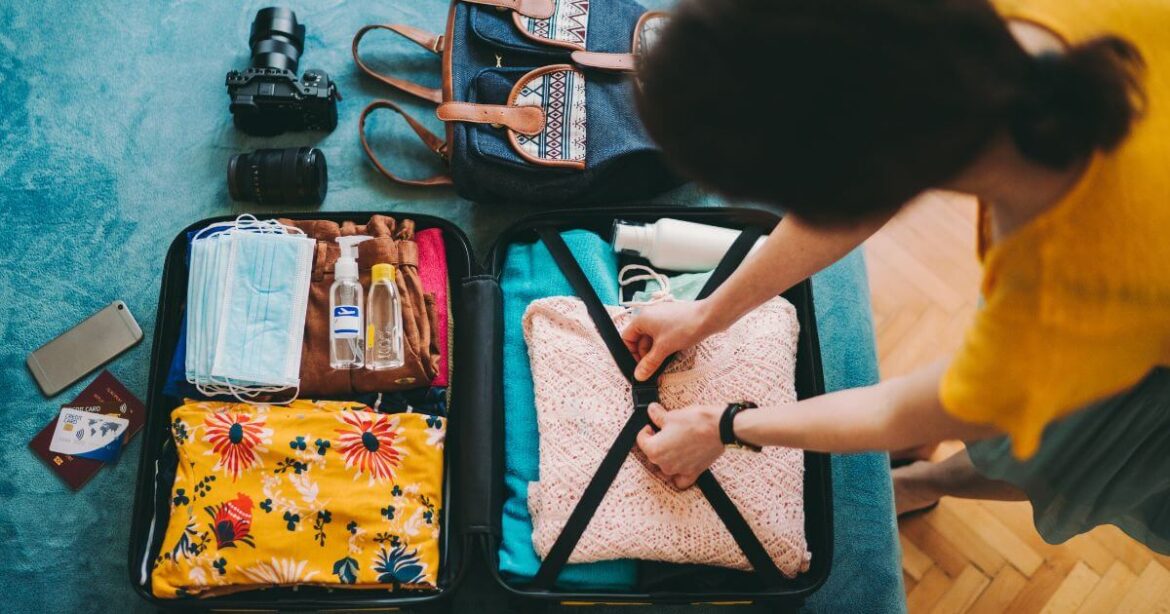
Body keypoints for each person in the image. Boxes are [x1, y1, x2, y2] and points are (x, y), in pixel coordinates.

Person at [626, 0, 1170, 554]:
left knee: (1065, 455)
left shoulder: (1063, 301)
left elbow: (902, 409)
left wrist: (725, 427)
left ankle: (917, 484)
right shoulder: (953, 58)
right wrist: (707, 312)